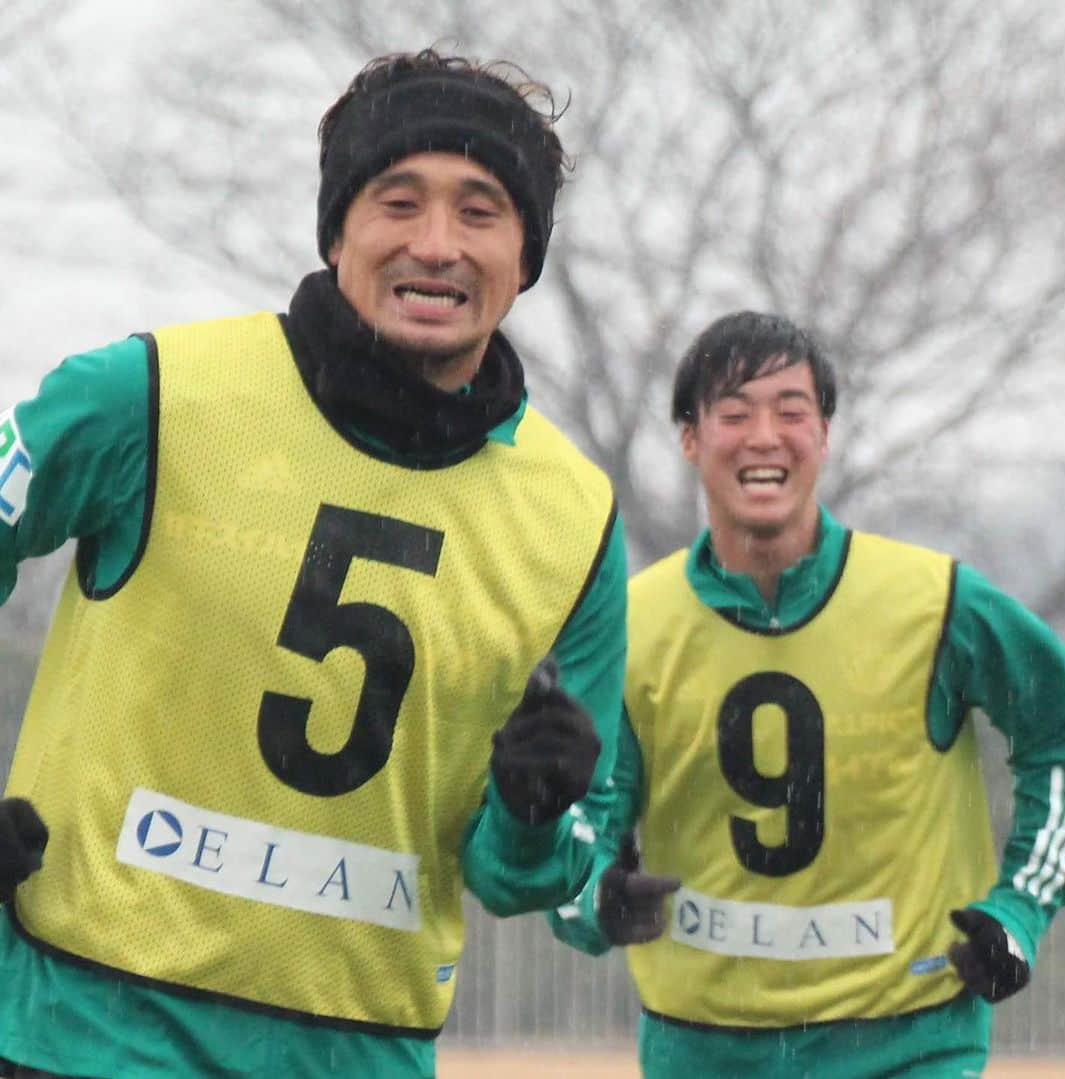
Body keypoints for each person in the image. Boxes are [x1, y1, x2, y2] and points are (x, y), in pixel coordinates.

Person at [0, 47, 639, 1079]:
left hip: (360, 1055)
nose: (436, 245)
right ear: (338, 226)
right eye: (399, 202)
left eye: (480, 212)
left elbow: (526, 872)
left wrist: (529, 813)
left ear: (526, 257)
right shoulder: (147, 396)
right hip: (83, 1032)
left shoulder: (578, 519)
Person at [550, 310, 1065, 1077]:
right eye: (734, 412)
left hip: (912, 1042)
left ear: (824, 436)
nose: (765, 435)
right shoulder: (634, 625)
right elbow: (579, 826)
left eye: (792, 411)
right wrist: (596, 898)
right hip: (702, 1048)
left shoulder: (935, 604)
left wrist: (1019, 911)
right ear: (690, 438)